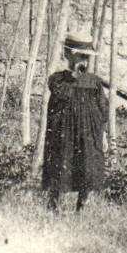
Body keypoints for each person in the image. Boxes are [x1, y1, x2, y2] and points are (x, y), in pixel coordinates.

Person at [42, 34, 108, 212]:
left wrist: (103, 134)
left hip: (88, 133)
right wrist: (73, 77)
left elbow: (102, 108)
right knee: (61, 162)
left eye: (87, 57)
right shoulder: (58, 80)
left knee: (87, 165)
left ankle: (81, 207)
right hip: (64, 131)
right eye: (80, 56)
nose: (84, 61)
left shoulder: (93, 82)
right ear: (68, 55)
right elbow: (60, 95)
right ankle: (53, 205)